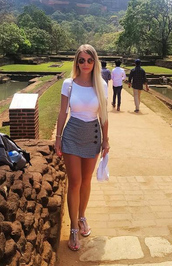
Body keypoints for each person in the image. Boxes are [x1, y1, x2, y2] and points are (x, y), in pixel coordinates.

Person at [54, 44, 109, 251]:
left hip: (93, 135)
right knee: (75, 182)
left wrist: (106, 140)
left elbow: (104, 114)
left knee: (86, 181)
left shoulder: (101, 85)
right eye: (81, 60)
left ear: (95, 62)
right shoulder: (69, 84)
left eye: (89, 60)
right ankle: (74, 228)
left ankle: (82, 216)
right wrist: (58, 137)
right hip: (72, 134)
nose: (85, 64)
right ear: (76, 62)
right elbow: (62, 113)